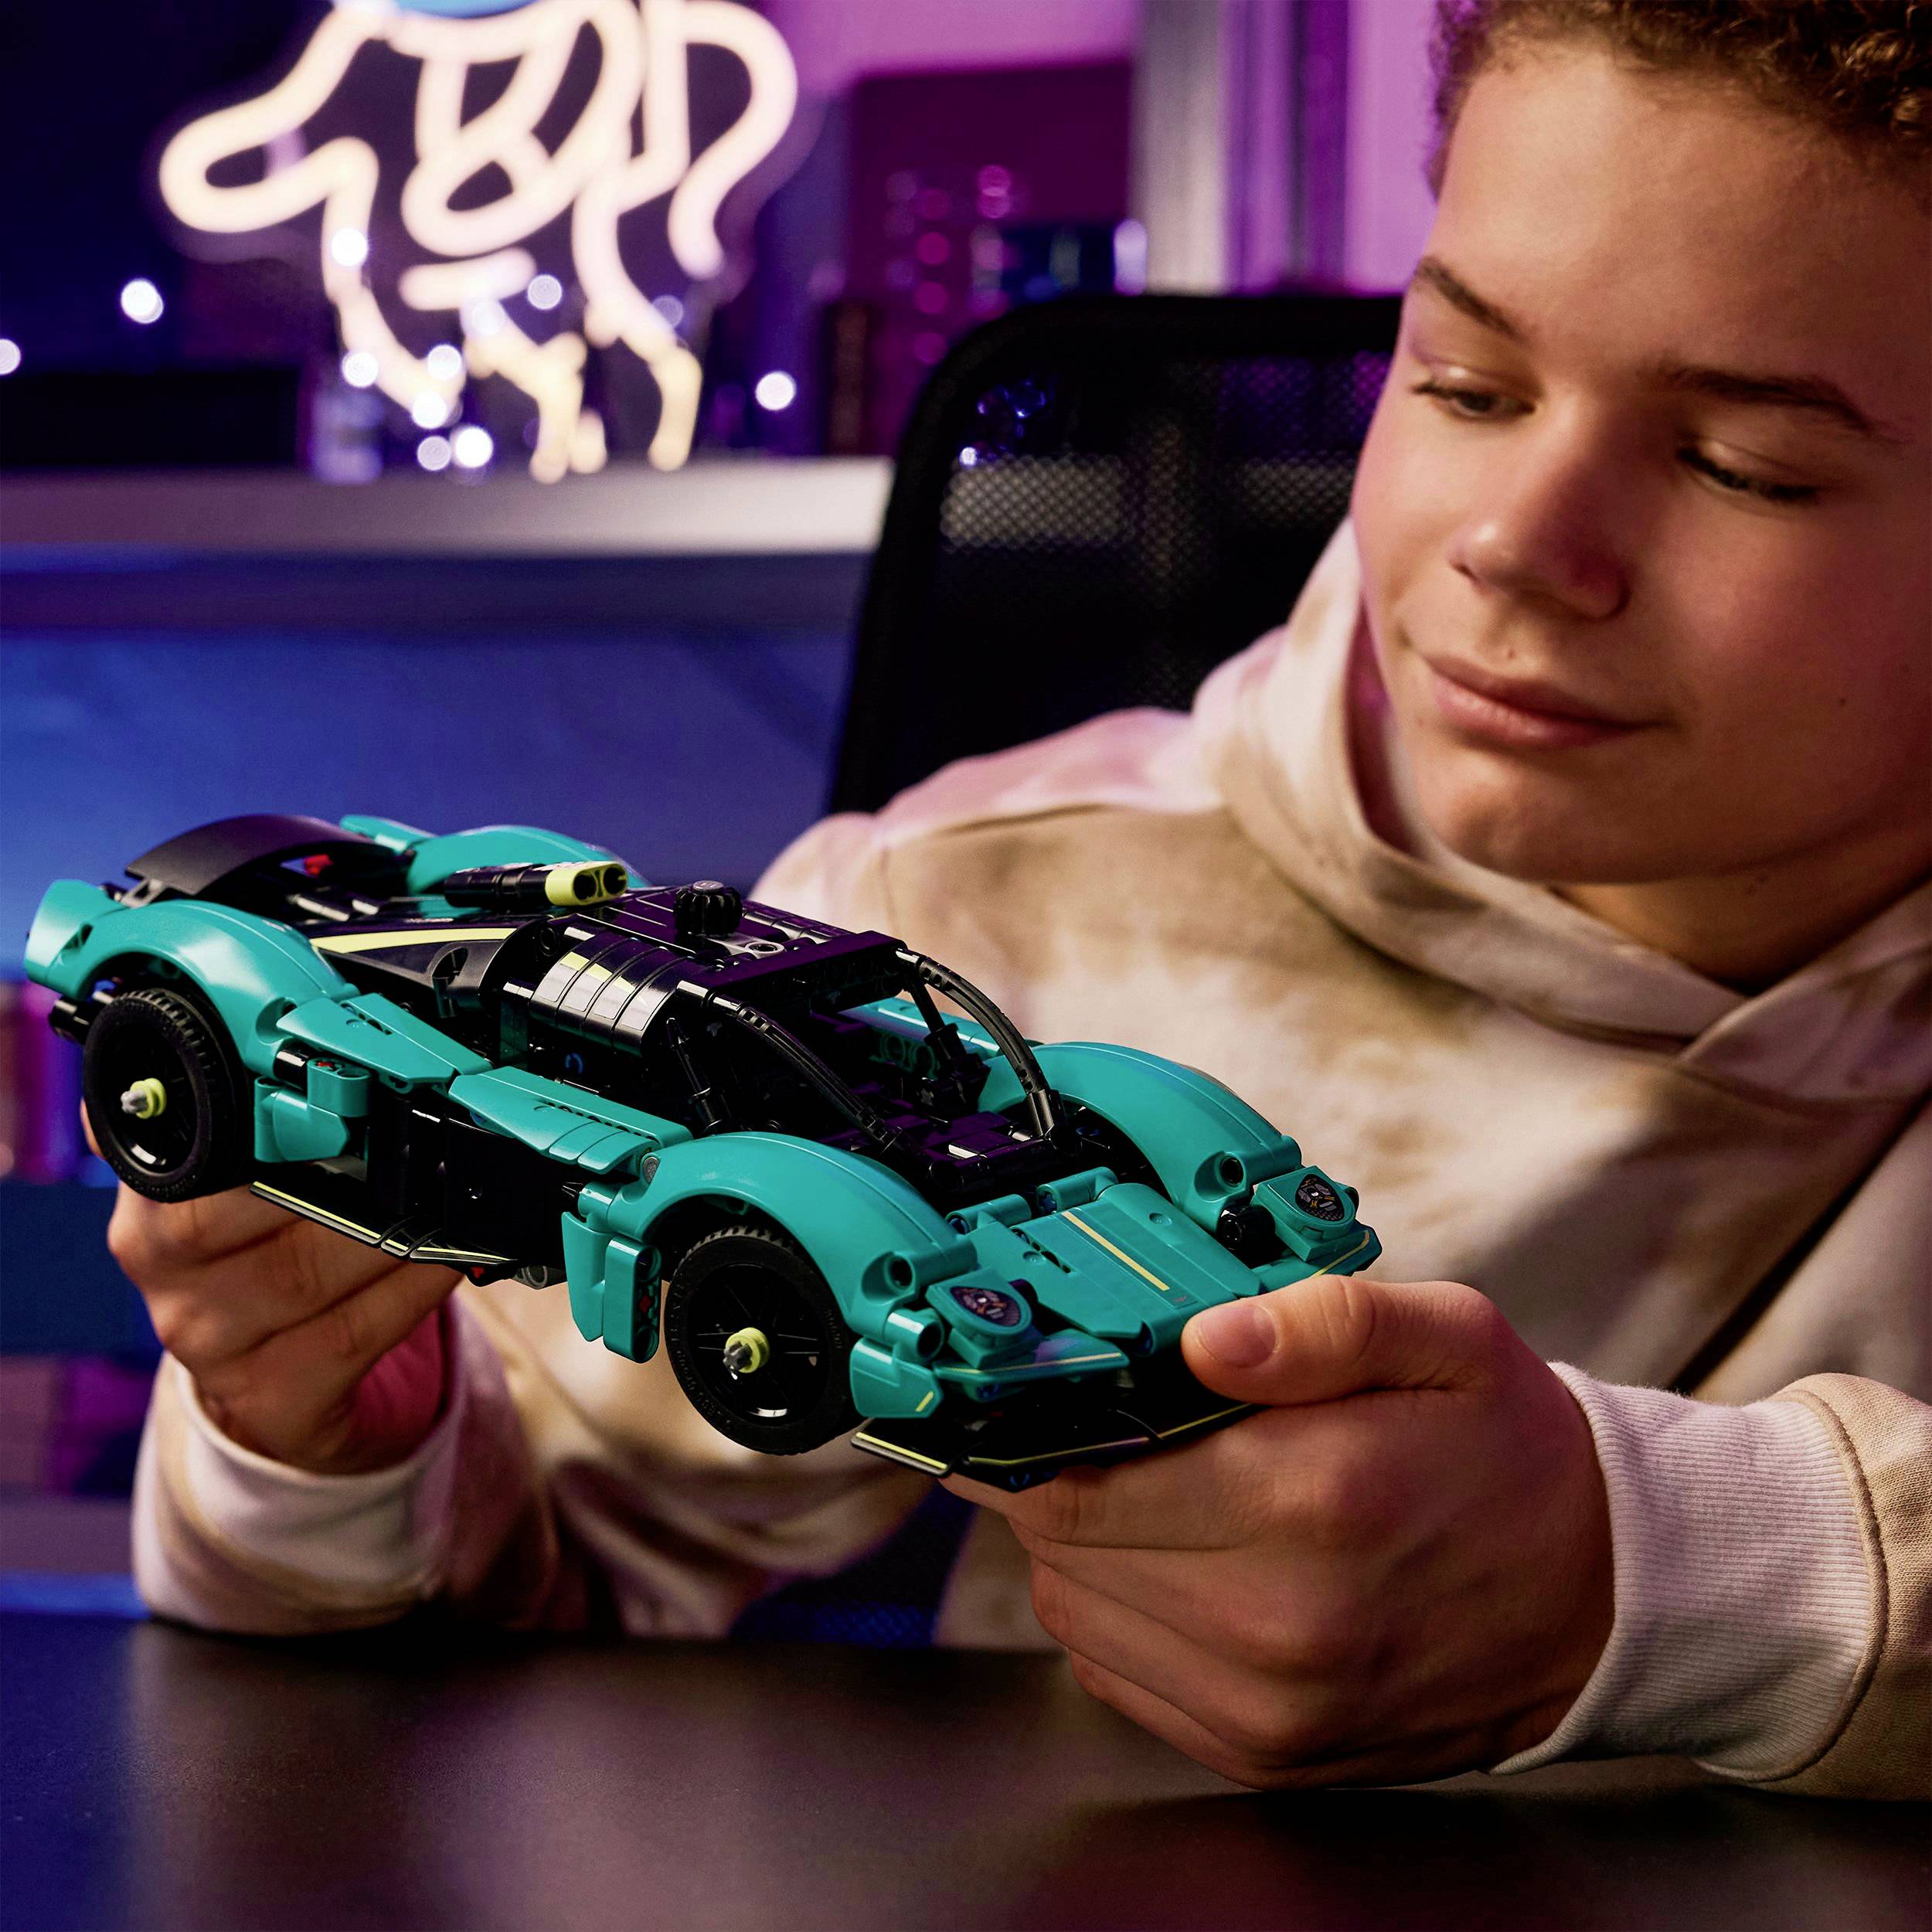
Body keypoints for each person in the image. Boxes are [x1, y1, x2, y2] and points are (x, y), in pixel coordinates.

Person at [111, 0, 1927, 1798]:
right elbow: (512, 1587)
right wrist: (343, 1443)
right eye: (1461, 383)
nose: (1516, 545)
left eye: (1735, 464)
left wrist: (1688, 1578)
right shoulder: (982, 922)